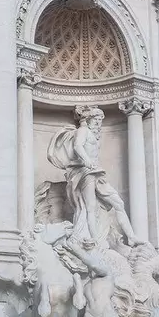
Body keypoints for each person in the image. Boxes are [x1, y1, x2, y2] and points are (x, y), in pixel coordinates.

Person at [47, 105, 140, 247]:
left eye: (100, 120)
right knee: (90, 206)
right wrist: (86, 160)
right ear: (89, 120)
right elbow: (78, 146)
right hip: (85, 172)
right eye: (96, 119)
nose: (98, 122)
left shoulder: (94, 135)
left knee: (118, 203)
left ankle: (132, 237)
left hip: (97, 173)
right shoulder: (83, 131)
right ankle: (95, 239)